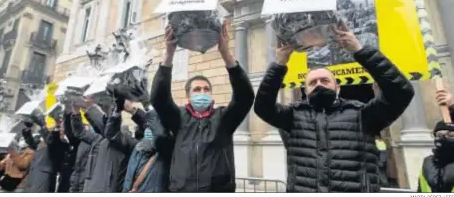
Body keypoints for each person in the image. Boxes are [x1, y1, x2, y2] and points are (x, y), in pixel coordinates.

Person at [254, 21, 414, 192]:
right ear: (305, 91)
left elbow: (400, 92)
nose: (319, 85)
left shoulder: (361, 114)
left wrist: (359, 50)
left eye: (325, 80)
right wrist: (279, 65)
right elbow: (263, 106)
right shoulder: (293, 115)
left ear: (338, 87)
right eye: (313, 82)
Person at [151, 22, 255, 192]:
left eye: (206, 89)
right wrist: (169, 54)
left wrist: (225, 53)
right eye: (197, 89)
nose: (202, 92)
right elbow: (159, 99)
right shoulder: (179, 118)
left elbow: (245, 97)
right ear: (188, 96)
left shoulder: (223, 119)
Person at [417, 89, 454, 193]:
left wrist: (452, 106)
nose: (443, 138)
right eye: (439, 135)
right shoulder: (427, 162)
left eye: (450, 135)